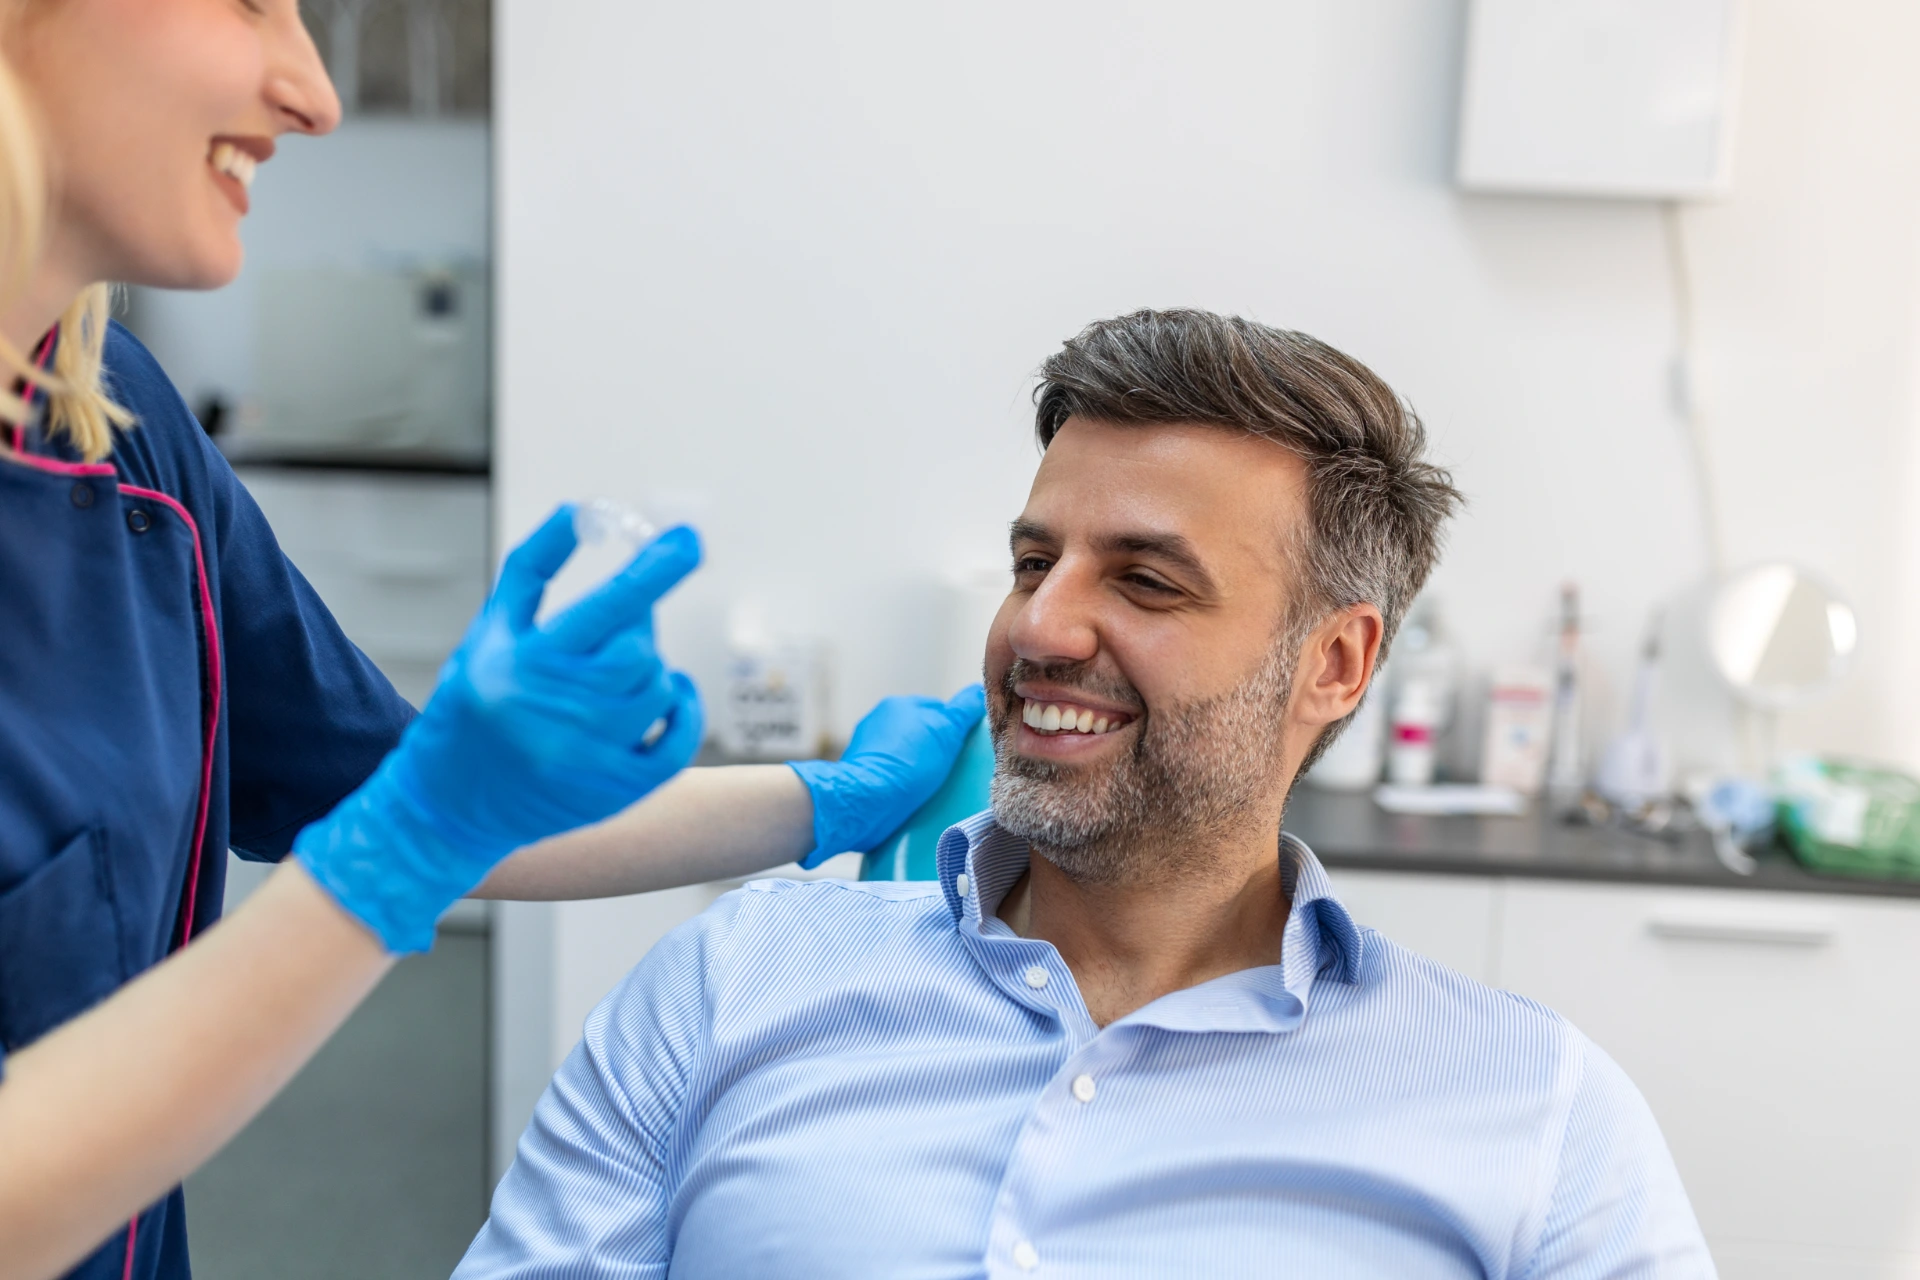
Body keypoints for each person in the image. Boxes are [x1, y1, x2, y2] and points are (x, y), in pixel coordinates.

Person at [0, 6, 981, 1280]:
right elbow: (415, 822)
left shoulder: (119, 437)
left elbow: (424, 802)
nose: (312, 91)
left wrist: (819, 799)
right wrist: (402, 848)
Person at [456, 310, 1715, 1279]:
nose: (1040, 627)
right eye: (1033, 561)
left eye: (1149, 582)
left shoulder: (1534, 1110)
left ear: (1334, 663)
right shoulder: (731, 983)